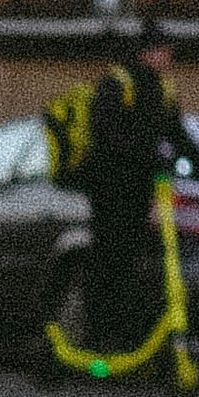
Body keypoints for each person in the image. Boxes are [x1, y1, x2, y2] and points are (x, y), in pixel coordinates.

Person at [82, 18, 189, 350]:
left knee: (132, 266)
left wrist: (198, 166)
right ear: (148, 53)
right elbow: (106, 134)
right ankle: (98, 336)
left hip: (142, 191)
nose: (169, 58)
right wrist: (146, 154)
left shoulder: (163, 88)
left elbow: (177, 134)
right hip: (111, 191)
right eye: (165, 52)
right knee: (108, 262)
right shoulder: (118, 83)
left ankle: (128, 337)